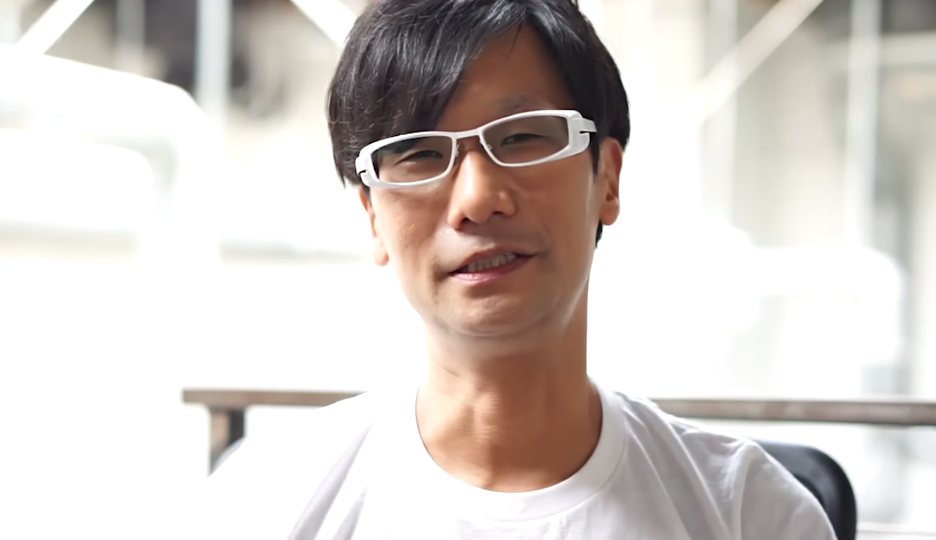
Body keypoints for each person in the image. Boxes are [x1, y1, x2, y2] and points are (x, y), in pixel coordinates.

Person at [192, 1, 837, 538]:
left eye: (524, 136)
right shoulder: (263, 502)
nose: (477, 199)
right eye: (419, 154)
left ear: (608, 179)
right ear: (373, 217)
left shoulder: (751, 514)